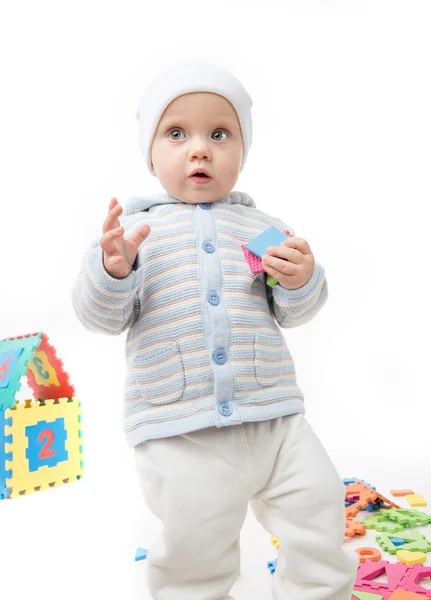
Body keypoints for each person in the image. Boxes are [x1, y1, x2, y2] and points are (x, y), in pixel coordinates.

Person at [71, 59, 359, 600]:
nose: (199, 149)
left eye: (219, 134)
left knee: (319, 515)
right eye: (176, 133)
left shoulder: (261, 227)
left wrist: (301, 279)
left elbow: (294, 312)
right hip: (182, 430)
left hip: (276, 419)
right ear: (151, 156)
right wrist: (113, 272)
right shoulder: (135, 235)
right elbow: (99, 318)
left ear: (242, 153)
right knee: (193, 554)